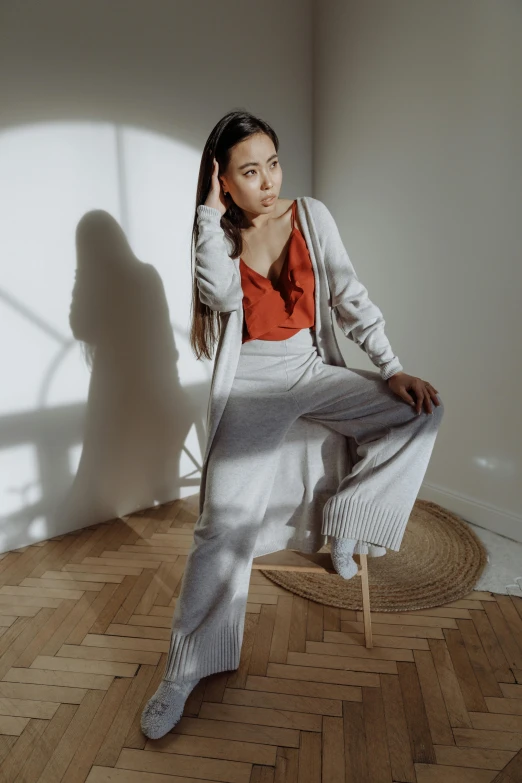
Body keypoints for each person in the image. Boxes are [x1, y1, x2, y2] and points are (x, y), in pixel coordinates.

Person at [141, 110, 444, 739]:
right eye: (249, 172)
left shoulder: (311, 215)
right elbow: (222, 299)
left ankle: (348, 526)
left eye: (273, 164)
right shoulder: (218, 234)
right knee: (219, 527)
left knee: (420, 411)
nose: (268, 181)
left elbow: (349, 295)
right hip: (251, 384)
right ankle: (185, 667)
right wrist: (204, 214)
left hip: (309, 366)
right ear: (223, 182)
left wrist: (391, 368)